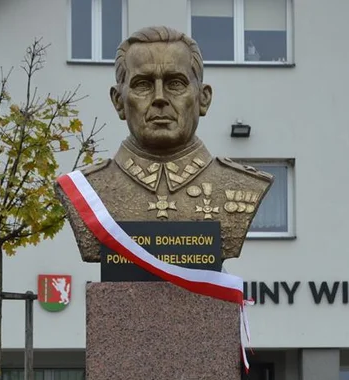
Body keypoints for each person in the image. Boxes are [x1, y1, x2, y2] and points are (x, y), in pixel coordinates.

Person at [54, 25, 275, 263]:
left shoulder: (243, 185)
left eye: (175, 83)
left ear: (203, 98)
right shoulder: (89, 190)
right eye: (143, 85)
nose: (159, 97)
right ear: (119, 102)